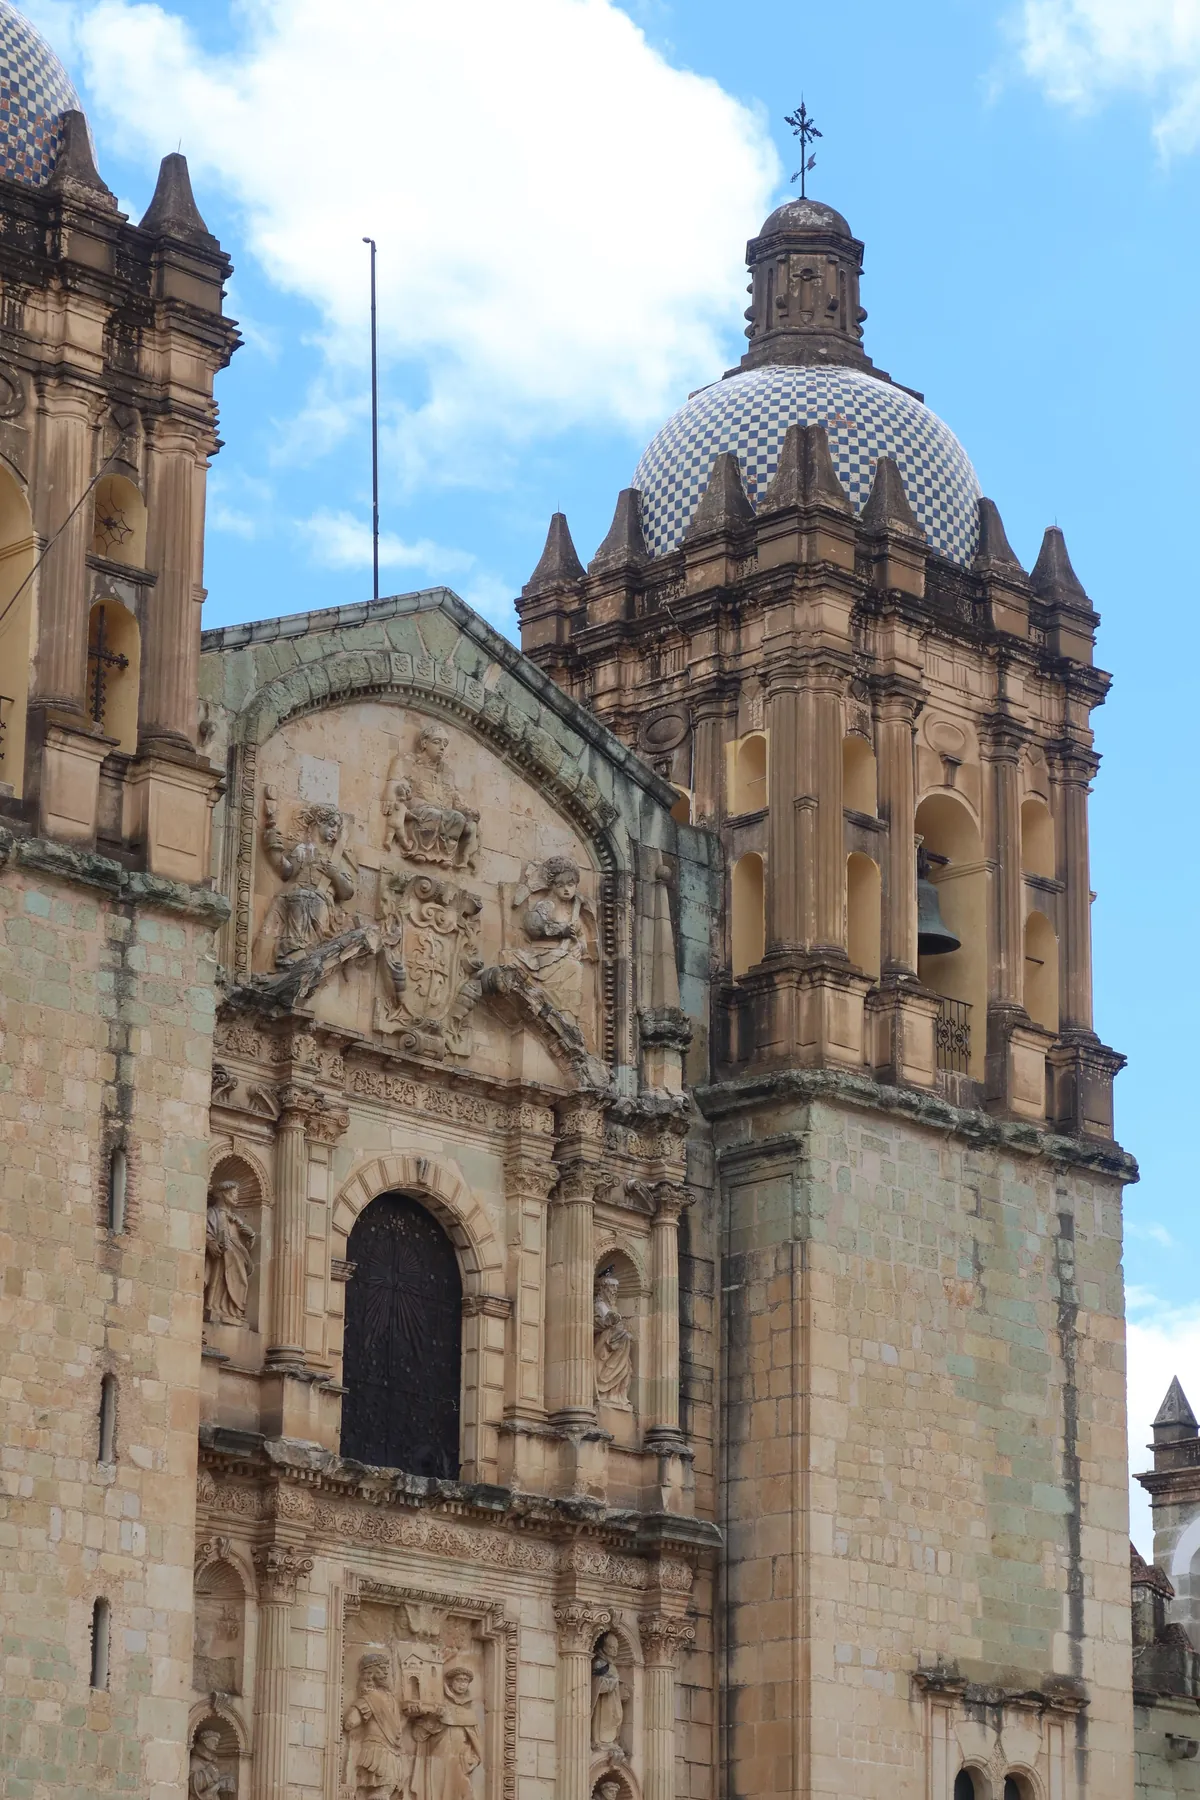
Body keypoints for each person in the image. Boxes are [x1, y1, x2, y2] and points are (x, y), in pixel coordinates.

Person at [406, 1666, 482, 1800]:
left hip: (461, 1760)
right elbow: (419, 1735)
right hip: (439, 1758)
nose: (462, 1684)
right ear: (451, 1682)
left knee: (464, 1791)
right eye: (459, 1680)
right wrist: (434, 1720)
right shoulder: (440, 1706)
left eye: (465, 1681)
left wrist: (474, 1759)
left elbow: (476, 1742)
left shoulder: (469, 1711)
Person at [343, 1651, 409, 1800]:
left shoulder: (388, 1699)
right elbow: (349, 1722)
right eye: (382, 1668)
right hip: (376, 1753)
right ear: (371, 1673)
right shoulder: (371, 1699)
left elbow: (396, 1730)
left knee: (382, 1794)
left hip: (390, 1753)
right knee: (378, 1794)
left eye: (386, 1669)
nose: (386, 1672)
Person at [204, 1181, 256, 1326]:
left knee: (240, 1281)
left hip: (237, 1257)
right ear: (223, 1195)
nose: (236, 1197)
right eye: (233, 1194)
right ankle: (213, 1307)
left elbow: (244, 1242)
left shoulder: (235, 1219)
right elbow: (205, 1231)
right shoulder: (212, 1213)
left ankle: (233, 1311)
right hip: (221, 1255)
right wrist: (211, 1243)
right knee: (218, 1278)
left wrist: (251, 1235)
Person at [593, 1269, 634, 1408]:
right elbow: (594, 1323)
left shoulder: (612, 1307)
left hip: (617, 1343)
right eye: (612, 1287)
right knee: (624, 1338)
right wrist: (607, 1322)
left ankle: (615, 1395)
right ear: (604, 1289)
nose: (614, 1291)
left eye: (616, 1288)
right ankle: (606, 1393)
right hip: (605, 1343)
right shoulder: (599, 1305)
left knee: (626, 1367)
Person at [590, 1631, 625, 1750]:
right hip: (602, 1703)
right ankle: (599, 1741)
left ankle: (610, 1741)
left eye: (616, 1648)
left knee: (615, 1717)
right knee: (601, 1720)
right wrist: (613, 1683)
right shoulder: (599, 1663)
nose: (615, 1651)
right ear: (604, 1647)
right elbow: (596, 1682)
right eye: (611, 1647)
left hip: (613, 1701)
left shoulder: (612, 1665)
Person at [189, 1729, 234, 1800]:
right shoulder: (195, 1760)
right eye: (214, 1741)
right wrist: (207, 1773)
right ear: (205, 1741)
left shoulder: (212, 1761)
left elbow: (215, 1778)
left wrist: (223, 1780)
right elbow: (191, 1782)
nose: (216, 1744)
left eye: (217, 1742)